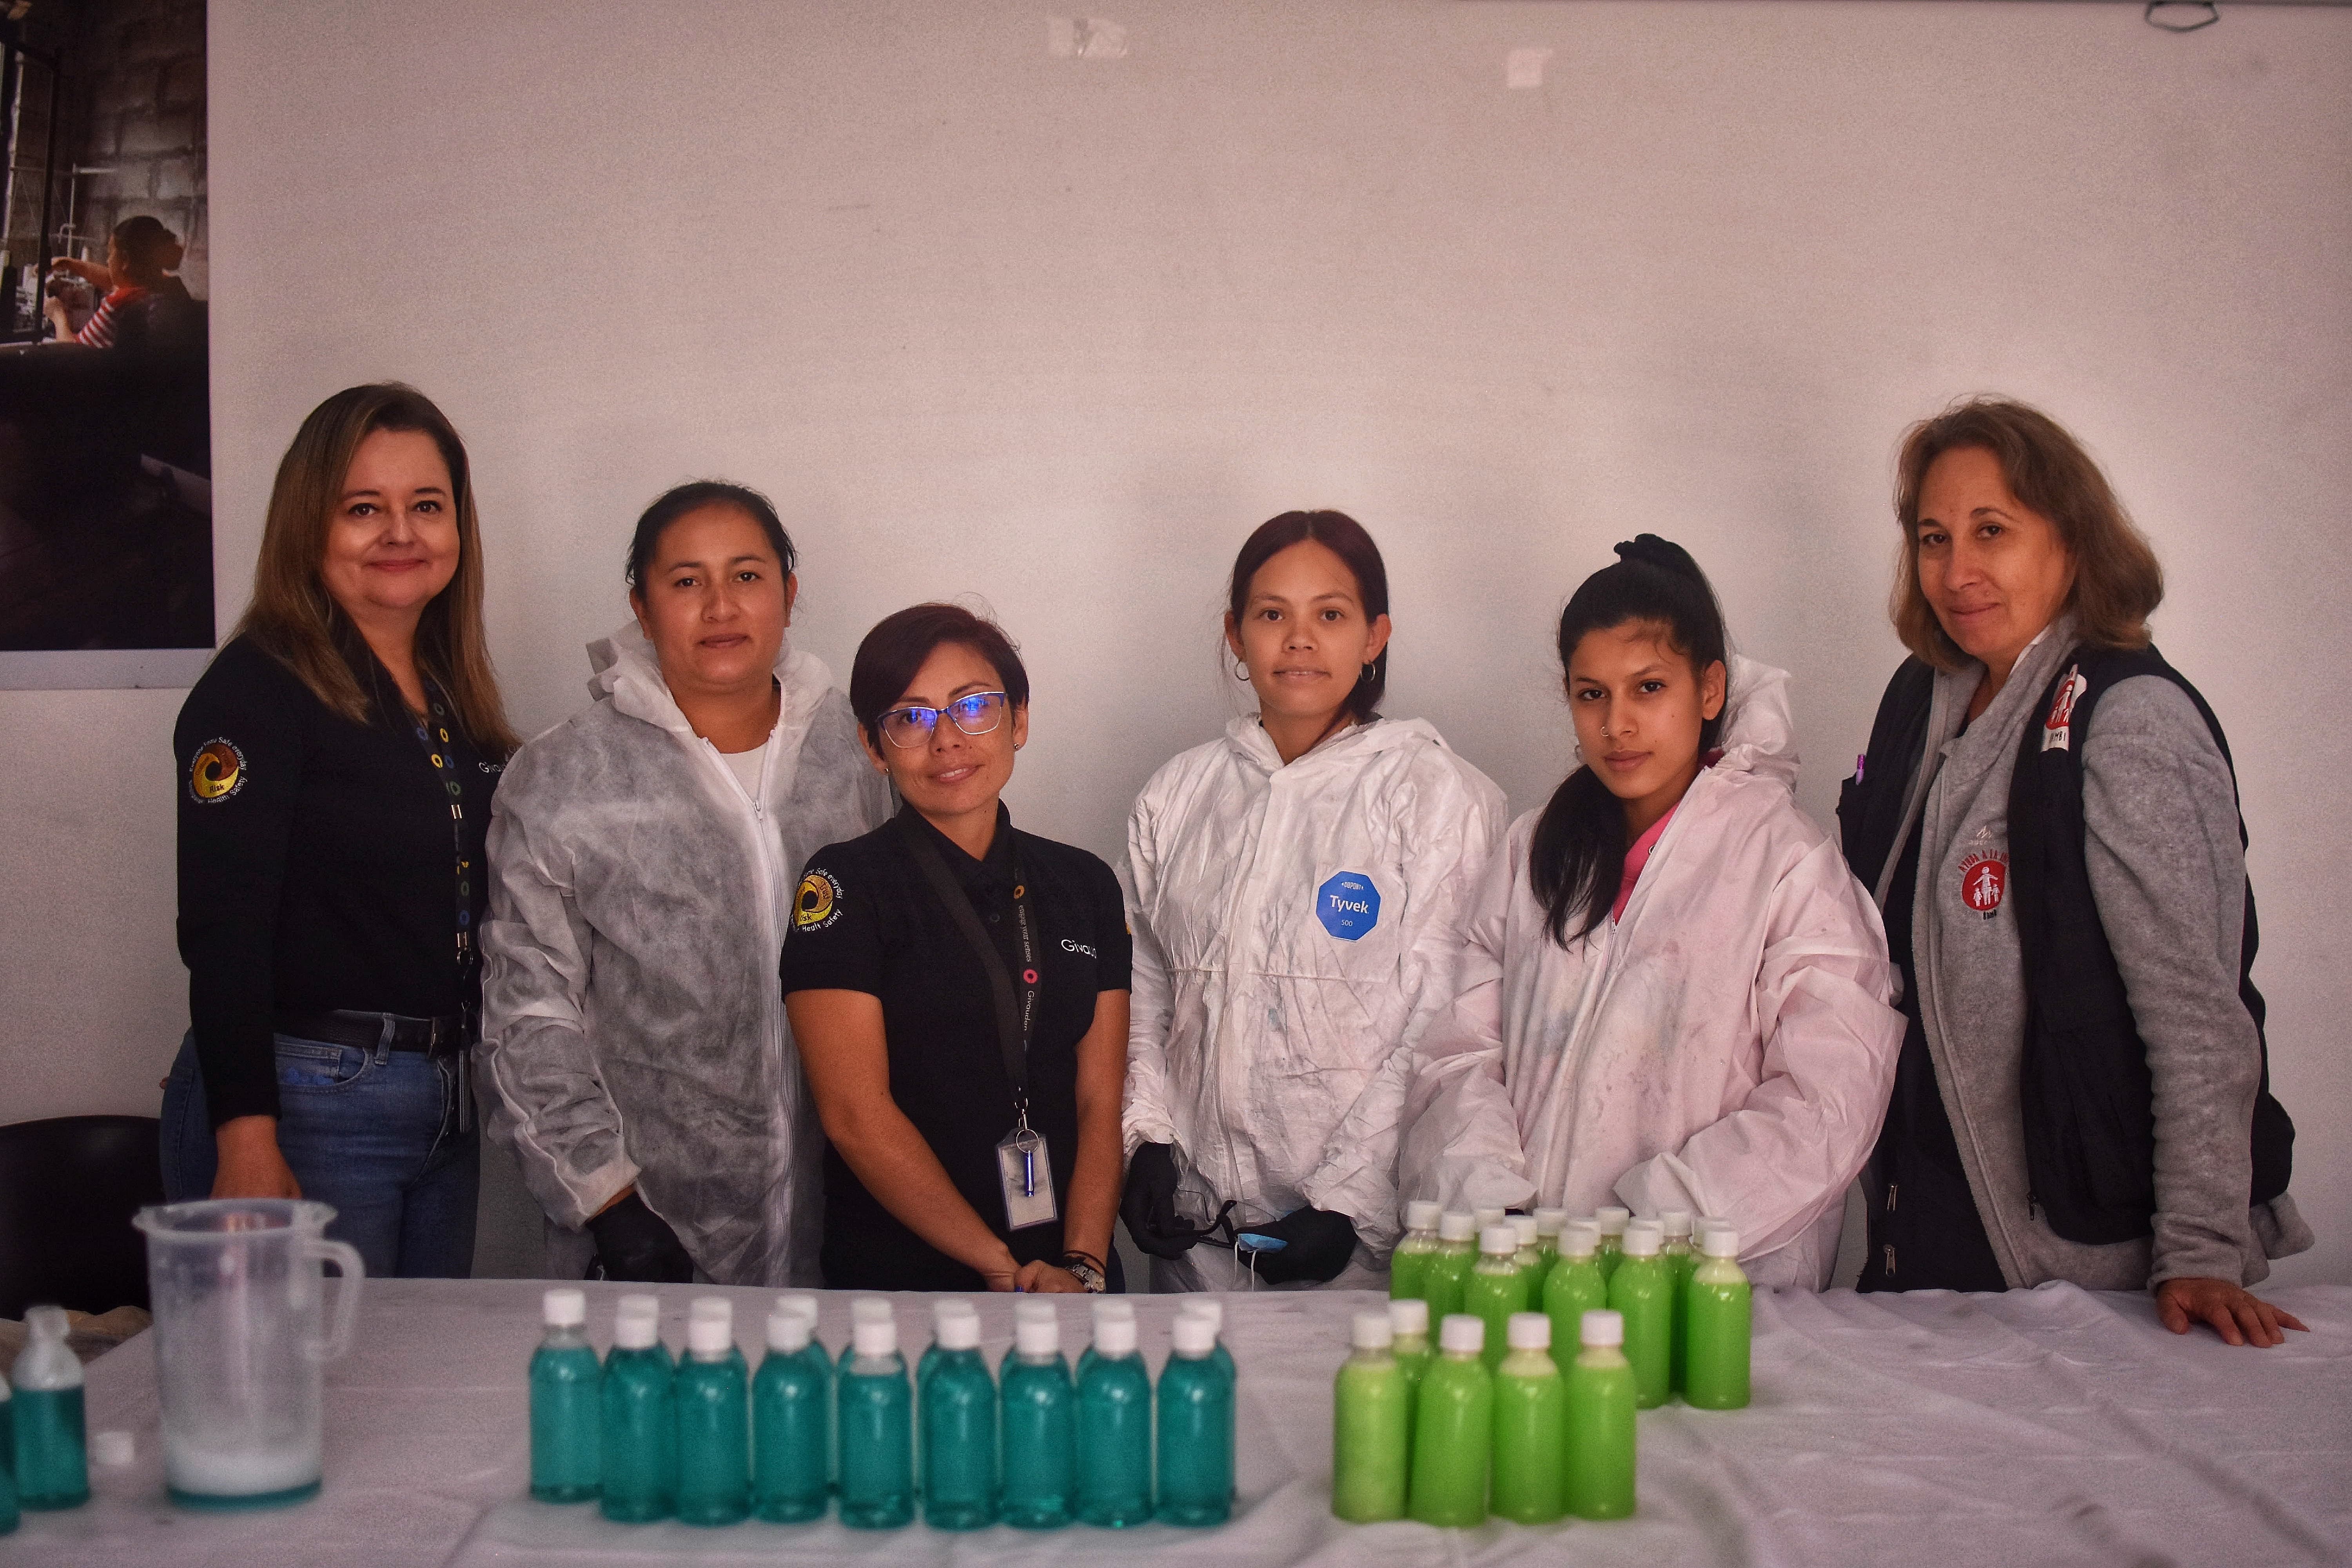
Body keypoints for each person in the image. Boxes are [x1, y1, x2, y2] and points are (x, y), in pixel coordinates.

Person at [1838, 397, 2311, 1343]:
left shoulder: (2130, 722)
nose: (1957, 570)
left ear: (2072, 538)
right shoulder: (1922, 698)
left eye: (1992, 531)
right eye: (1934, 537)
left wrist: (2203, 1251)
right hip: (1923, 1244)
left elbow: (2197, 1018)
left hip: (2086, 1285)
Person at [1398, 537, 1904, 1289]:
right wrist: (1493, 1208)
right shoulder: (1535, 853)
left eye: (1648, 689)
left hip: (1713, 1290)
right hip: (1535, 1280)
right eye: (1592, 693)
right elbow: (1461, 1052)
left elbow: (1830, 1096)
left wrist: (1655, 1227)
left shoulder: (1786, 864)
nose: (1618, 724)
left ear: (1709, 691)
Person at [477, 483, 888, 1286]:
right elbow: (530, 1013)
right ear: (642, 603)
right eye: (686, 580)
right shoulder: (567, 776)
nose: (720, 605)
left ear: (790, 592)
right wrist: (608, 1202)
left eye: (746, 575)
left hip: (850, 1216)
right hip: (654, 1231)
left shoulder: (858, 750)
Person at [163, 383, 518, 1278]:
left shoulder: (448, 694)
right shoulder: (258, 690)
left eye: (426, 507)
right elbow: (224, 928)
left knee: (411, 1396)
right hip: (310, 1102)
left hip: (444, 1101)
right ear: (307, 523)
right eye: (364, 508)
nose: (401, 533)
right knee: (323, 1403)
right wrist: (246, 1137)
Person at [1120, 511, 1507, 1291]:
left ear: (1375, 635)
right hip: (1200, 1244)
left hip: (1359, 1251)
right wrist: (1146, 1139)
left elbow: (1449, 1021)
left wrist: (1346, 1203)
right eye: (1272, 615)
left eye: (1330, 614)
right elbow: (1144, 984)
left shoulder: (1437, 797)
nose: (1299, 640)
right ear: (1236, 634)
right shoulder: (1179, 796)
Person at [780, 604, 1131, 1292]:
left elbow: (1101, 1096)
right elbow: (855, 1114)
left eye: (973, 706)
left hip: (1068, 1277)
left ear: (1018, 720)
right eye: (910, 718)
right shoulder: (846, 884)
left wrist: (1083, 1266)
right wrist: (1002, 1270)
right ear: (874, 747)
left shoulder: (1084, 883)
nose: (946, 739)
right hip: (905, 1281)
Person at [45, 216, 189, 348]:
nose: (108, 261)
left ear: (125, 260)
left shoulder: (118, 305)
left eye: (111, 253)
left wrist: (57, 315)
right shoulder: (170, 287)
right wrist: (70, 264)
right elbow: (114, 279)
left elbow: (72, 353)